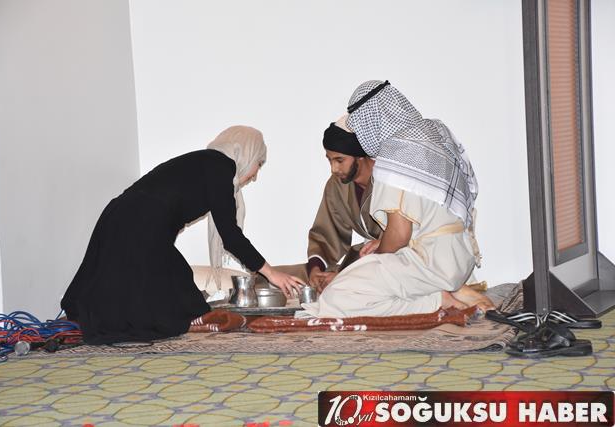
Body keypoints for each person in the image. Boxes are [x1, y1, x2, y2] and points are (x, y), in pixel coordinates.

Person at [61, 126, 304, 344]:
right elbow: (230, 235)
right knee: (168, 304)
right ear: (247, 152)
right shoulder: (220, 167)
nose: (255, 175)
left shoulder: (205, 163)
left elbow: (171, 204)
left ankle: (86, 320)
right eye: (259, 164)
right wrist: (271, 273)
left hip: (120, 215)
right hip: (138, 221)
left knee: (173, 283)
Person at [299, 80, 494, 318]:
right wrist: (379, 246)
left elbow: (400, 235)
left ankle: (438, 301)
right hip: (457, 256)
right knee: (354, 277)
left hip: (427, 261)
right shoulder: (431, 137)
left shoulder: (396, 156)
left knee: (335, 297)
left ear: (372, 118)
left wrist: (373, 261)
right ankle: (452, 292)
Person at [305, 116, 382, 289]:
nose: (334, 169)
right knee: (287, 277)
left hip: (394, 262)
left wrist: (344, 277)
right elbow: (327, 233)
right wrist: (316, 270)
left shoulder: (390, 180)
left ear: (360, 156)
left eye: (339, 160)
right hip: (362, 262)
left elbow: (401, 237)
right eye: (329, 160)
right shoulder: (337, 184)